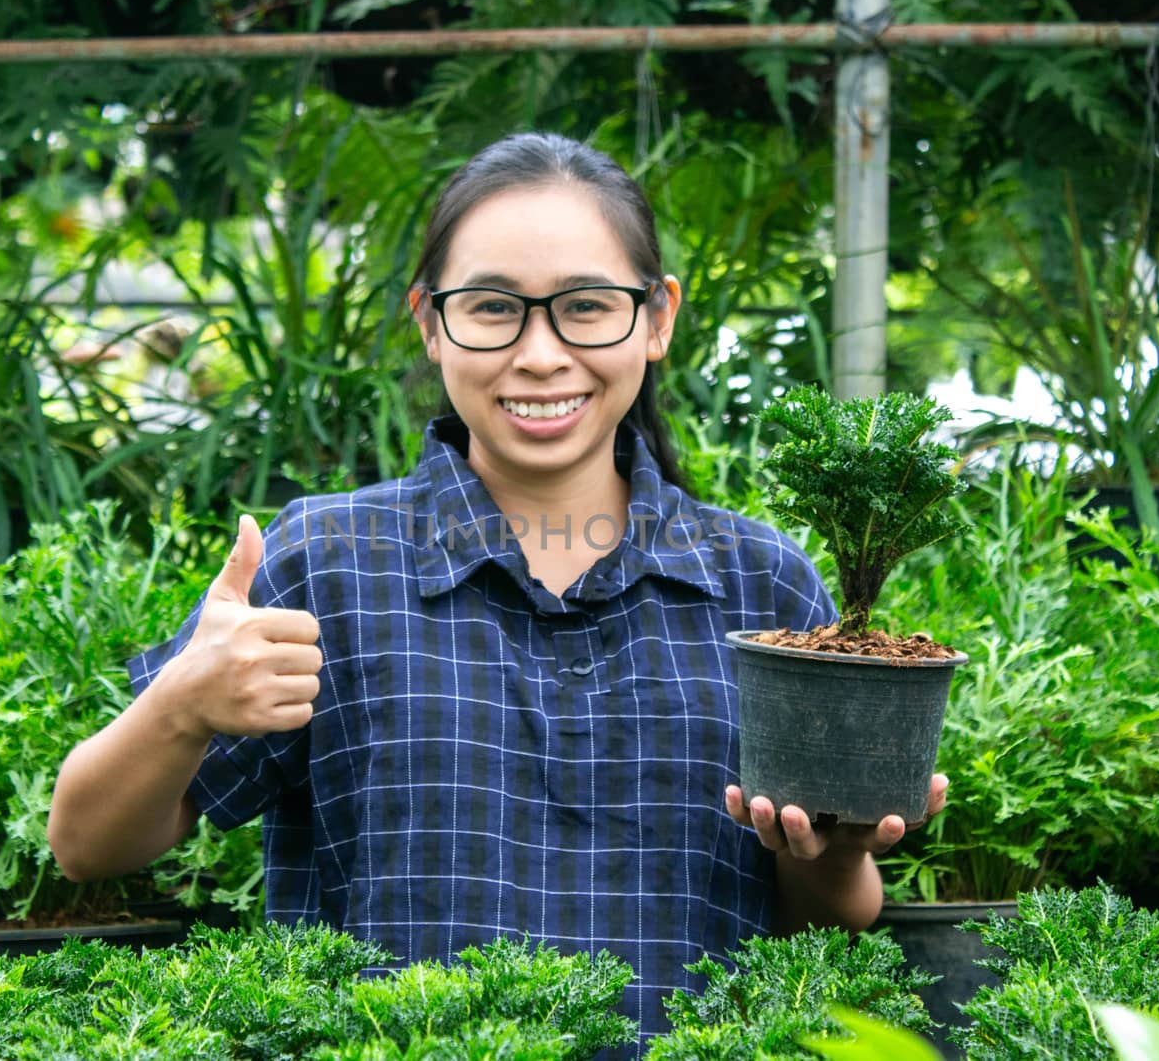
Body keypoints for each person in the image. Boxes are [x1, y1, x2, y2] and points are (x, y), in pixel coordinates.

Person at [47, 132, 948, 1050]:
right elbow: (86, 844)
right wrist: (181, 706)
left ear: (657, 316)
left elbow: (823, 929)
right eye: (492, 308)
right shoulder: (328, 565)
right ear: (431, 321)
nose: (541, 353)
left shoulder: (757, 585)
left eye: (586, 307)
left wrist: (832, 857)